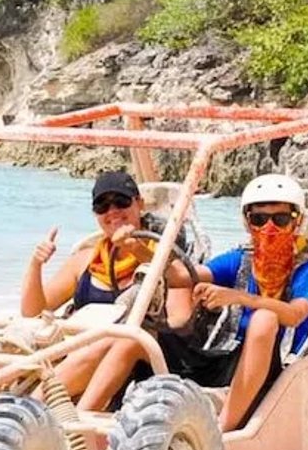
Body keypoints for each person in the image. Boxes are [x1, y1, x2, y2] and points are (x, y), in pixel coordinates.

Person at [162, 173, 308, 431]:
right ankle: (84, 417)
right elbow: (183, 276)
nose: (269, 228)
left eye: (281, 219)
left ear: (297, 222)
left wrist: (238, 297)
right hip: (227, 355)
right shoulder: (241, 259)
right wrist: (146, 250)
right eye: (259, 219)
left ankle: (224, 429)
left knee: (265, 318)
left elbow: (295, 314)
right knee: (143, 332)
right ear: (247, 222)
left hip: (276, 366)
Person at [20, 169, 198, 411]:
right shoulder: (85, 260)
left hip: (153, 358)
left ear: (139, 204)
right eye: (102, 206)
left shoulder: (166, 259)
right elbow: (32, 313)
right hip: (88, 354)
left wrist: (137, 251)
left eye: (121, 201)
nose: (112, 211)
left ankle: (49, 411)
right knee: (17, 338)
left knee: (124, 338)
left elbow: (179, 322)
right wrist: (35, 264)